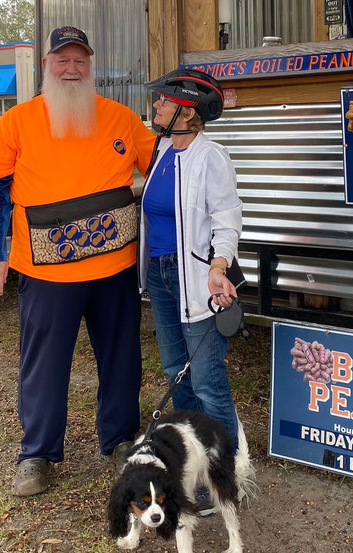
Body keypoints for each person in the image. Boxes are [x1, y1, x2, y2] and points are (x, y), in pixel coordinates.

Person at [0, 25, 157, 498]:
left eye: (80, 61)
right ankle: (36, 453)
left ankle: (120, 439)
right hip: (45, 273)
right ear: (46, 66)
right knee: (44, 364)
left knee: (122, 358)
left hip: (114, 268)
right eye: (63, 60)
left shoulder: (121, 119)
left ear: (90, 67)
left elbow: (162, 170)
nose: (72, 69)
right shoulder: (17, 122)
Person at [139, 69, 244, 461]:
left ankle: (225, 471)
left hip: (197, 278)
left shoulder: (210, 156)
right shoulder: (163, 150)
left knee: (206, 381)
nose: (156, 105)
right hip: (160, 274)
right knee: (175, 372)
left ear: (187, 112)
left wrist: (219, 266)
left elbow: (227, 219)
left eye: (164, 101)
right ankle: (196, 460)